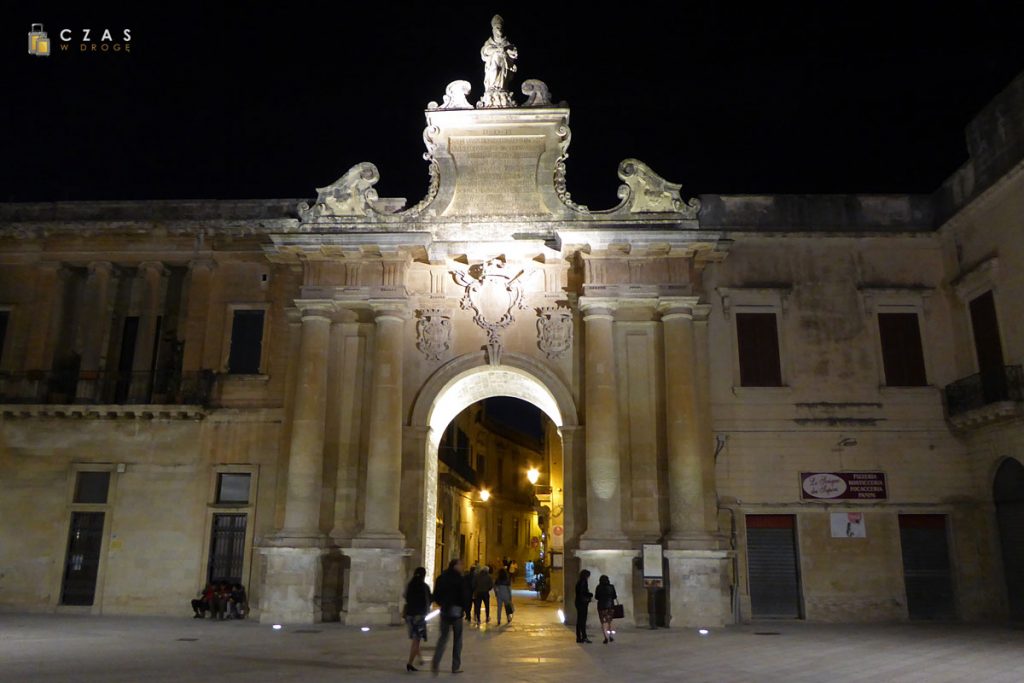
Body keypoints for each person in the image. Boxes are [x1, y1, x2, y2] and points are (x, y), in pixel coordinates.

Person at [432, 558, 467, 674]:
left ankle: (436, 662)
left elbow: (436, 595)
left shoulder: (441, 578)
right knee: (458, 639)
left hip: (445, 611)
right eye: (460, 564)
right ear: (455, 566)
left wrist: (442, 604)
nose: (462, 566)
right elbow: (464, 595)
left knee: (443, 637)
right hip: (456, 612)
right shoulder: (460, 579)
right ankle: (455, 666)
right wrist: (465, 608)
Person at [403, 567, 432, 672]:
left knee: (415, 638)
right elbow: (429, 599)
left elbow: (405, 596)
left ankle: (420, 658)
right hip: (419, 616)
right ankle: (410, 663)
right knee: (417, 639)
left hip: (409, 615)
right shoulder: (424, 587)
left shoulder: (409, 585)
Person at [595, 575, 618, 644]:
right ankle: (610, 636)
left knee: (603, 622)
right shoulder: (611, 587)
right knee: (609, 621)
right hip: (610, 606)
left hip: (601, 607)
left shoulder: (598, 587)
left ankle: (605, 637)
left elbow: (596, 597)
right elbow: (614, 596)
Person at [574, 570, 593, 643]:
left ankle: (579, 637)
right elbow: (583, 593)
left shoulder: (579, 582)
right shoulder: (583, 582)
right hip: (582, 603)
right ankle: (583, 636)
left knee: (579, 620)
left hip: (578, 602)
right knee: (582, 620)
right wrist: (589, 594)